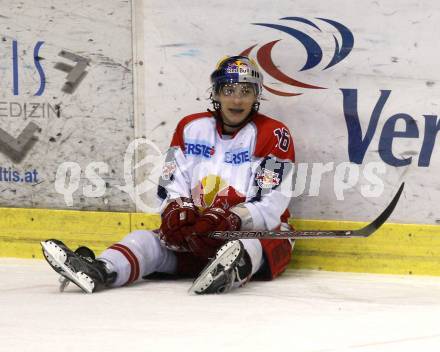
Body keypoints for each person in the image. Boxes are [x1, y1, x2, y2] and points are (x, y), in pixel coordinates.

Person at [41, 55, 295, 294]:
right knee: (143, 239)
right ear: (216, 93)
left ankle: (227, 271)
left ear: (256, 96)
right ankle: (101, 270)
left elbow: (272, 203)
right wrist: (176, 211)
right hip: (197, 234)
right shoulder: (190, 127)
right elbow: (170, 182)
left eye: (245, 92)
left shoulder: (273, 134)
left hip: (256, 234)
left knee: (244, 244)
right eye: (228, 91)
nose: (237, 101)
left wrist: (234, 219)